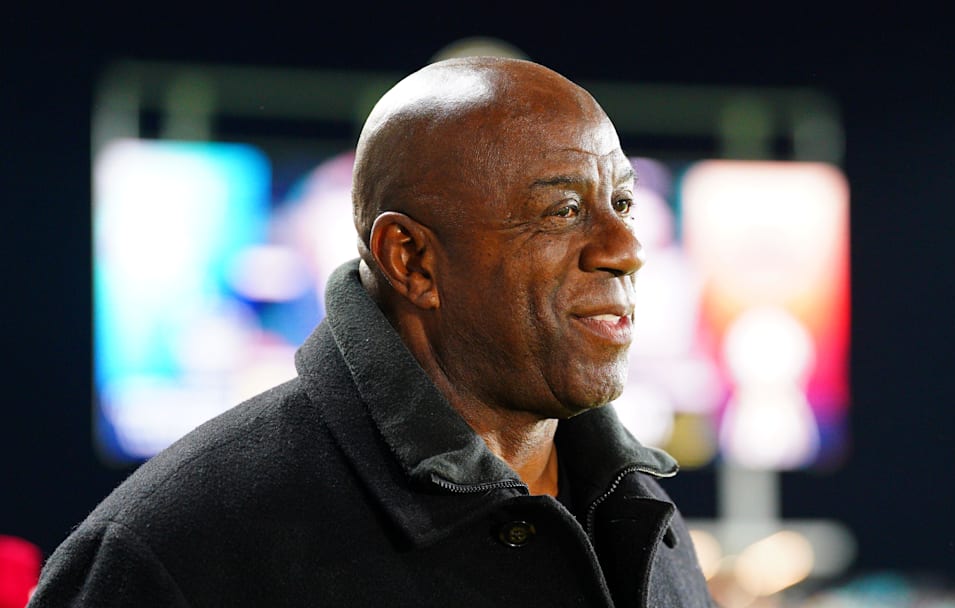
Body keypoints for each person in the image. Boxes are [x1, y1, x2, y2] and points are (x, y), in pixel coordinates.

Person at [29, 56, 716, 607]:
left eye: (622, 201)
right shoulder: (176, 550)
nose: (625, 247)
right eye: (564, 210)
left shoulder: (639, 512)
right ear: (412, 261)